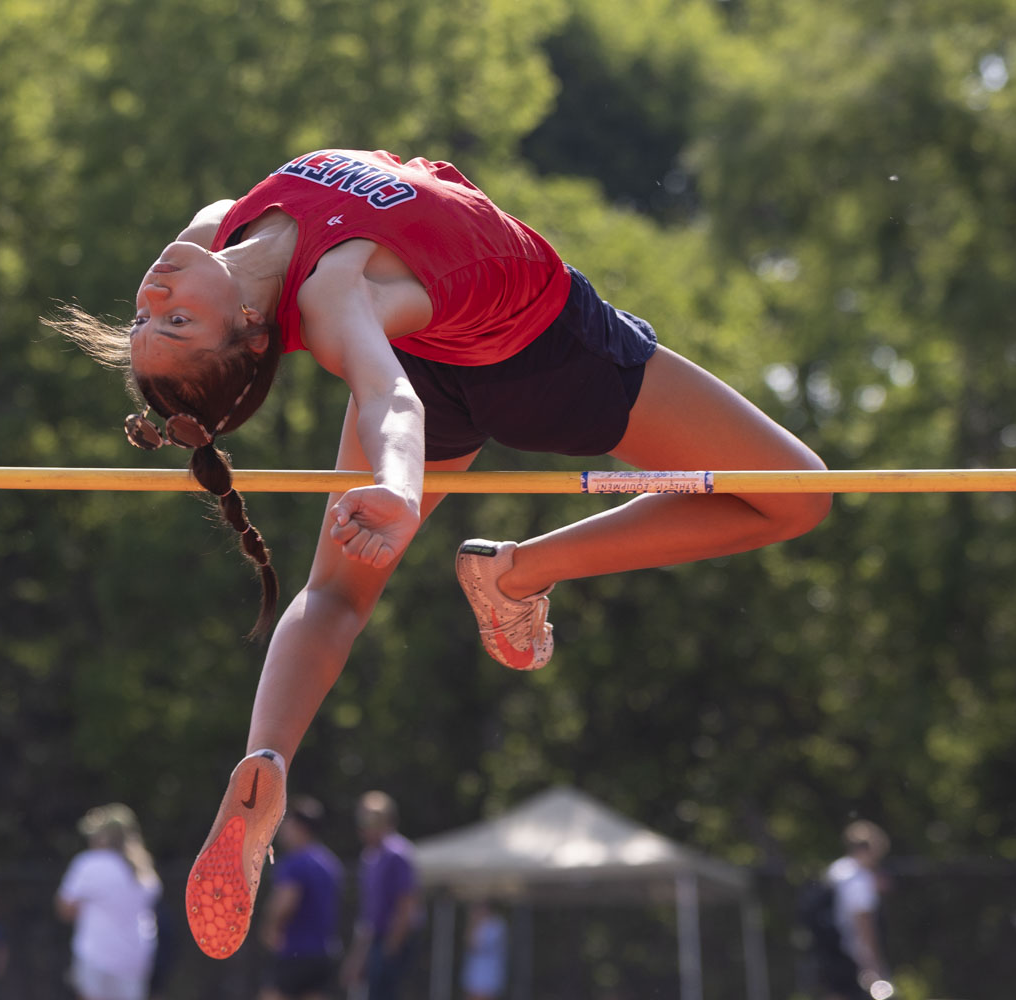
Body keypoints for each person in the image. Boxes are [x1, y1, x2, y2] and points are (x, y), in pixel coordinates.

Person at [53, 147, 831, 959]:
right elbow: (389, 399)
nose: (150, 301)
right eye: (174, 322)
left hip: (439, 354)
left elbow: (350, 335)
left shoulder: (225, 225)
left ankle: (268, 755)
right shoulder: (328, 295)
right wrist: (396, 484)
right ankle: (524, 570)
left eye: (149, 321)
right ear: (251, 333)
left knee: (335, 597)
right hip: (545, 354)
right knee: (798, 493)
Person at [55, 804, 162, 1000]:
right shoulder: (144, 869)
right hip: (135, 959)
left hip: (97, 958)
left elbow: (65, 909)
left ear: (102, 837)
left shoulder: (90, 864)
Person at [256, 796, 343, 1000]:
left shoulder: (295, 862)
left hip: (296, 951)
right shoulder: (330, 863)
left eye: (287, 822)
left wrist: (270, 926)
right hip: (324, 953)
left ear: (299, 826)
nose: (283, 829)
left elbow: (285, 903)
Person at [340, 792, 420, 1000]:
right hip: (376, 942)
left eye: (371, 818)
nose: (364, 825)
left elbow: (406, 904)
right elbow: (369, 916)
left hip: (393, 942)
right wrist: (357, 957)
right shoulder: (369, 857)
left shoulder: (398, 854)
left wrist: (390, 949)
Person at [820, 821, 891, 1000]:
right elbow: (863, 922)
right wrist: (873, 964)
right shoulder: (858, 879)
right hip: (850, 955)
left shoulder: (837, 869)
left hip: (828, 948)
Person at [459, 901, 508, 1000]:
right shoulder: (475, 924)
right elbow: (467, 943)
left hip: (487, 978)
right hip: (474, 976)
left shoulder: (496, 925)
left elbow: (475, 945)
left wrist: (474, 923)